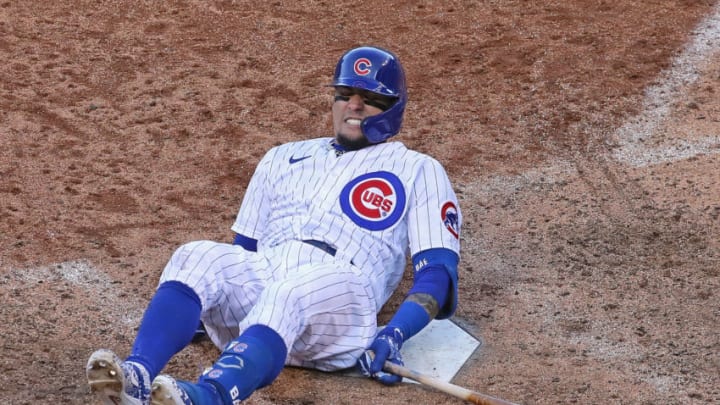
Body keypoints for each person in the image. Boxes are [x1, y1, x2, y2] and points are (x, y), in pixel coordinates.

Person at [86, 45, 462, 405]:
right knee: (196, 255)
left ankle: (210, 396)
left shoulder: (418, 169)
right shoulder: (282, 157)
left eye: (370, 97)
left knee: (290, 292)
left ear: (393, 108)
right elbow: (243, 251)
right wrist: (205, 305)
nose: (355, 104)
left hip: (343, 293)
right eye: (345, 93)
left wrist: (394, 333)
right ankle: (136, 375)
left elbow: (437, 276)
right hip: (268, 284)